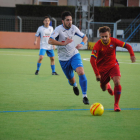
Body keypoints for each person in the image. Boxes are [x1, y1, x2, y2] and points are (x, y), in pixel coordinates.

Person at [90, 26, 136, 111]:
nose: (104, 38)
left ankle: (116, 105)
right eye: (102, 36)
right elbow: (92, 59)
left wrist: (132, 54)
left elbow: (128, 46)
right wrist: (97, 74)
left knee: (117, 81)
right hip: (102, 69)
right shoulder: (98, 45)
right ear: (100, 36)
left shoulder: (114, 41)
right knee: (103, 88)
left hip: (113, 65)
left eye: (106, 36)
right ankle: (108, 86)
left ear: (109, 35)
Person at [48, 11, 89, 105]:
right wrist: (63, 43)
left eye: (70, 20)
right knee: (71, 80)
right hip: (63, 59)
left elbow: (85, 37)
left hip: (74, 54)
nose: (70, 22)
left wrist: (82, 43)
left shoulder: (74, 28)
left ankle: (85, 96)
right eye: (67, 20)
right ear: (63, 21)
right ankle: (74, 85)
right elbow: (50, 41)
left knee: (81, 71)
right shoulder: (58, 29)